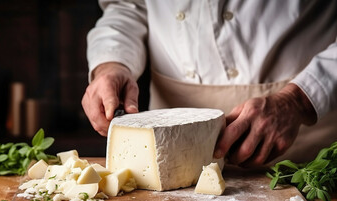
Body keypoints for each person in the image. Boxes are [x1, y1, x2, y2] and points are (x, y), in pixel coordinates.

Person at [82, 0, 337, 167]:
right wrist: (112, 64)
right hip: (168, 149)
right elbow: (128, 6)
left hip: (308, 139)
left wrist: (300, 99)